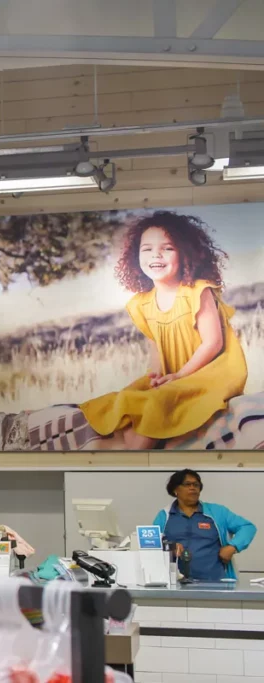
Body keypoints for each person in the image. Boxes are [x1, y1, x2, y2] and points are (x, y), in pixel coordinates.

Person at [81, 212, 247, 450]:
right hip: (173, 375)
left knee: (160, 401)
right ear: (135, 256)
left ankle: (134, 461)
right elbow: (155, 345)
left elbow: (213, 343)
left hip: (210, 373)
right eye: (147, 249)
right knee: (128, 397)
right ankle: (128, 454)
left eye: (167, 248)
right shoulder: (141, 303)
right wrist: (158, 374)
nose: (155, 255)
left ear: (185, 253)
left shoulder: (197, 291)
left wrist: (180, 377)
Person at [152, 469, 255, 581]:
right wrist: (170, 547)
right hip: (174, 583)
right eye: (187, 484)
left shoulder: (217, 512)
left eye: (196, 485)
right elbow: (152, 542)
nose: (193, 488)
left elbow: (247, 527)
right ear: (175, 489)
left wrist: (233, 546)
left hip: (216, 582)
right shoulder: (164, 516)